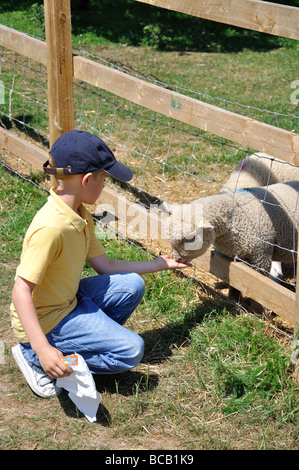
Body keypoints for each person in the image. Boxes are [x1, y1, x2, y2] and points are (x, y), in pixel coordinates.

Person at [10, 129, 190, 399]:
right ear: (86, 180)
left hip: (68, 300)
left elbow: (104, 265)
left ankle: (71, 347)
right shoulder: (51, 227)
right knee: (131, 351)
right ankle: (35, 358)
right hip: (48, 320)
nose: (105, 186)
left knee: (131, 285)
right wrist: (42, 349)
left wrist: (159, 264)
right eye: (104, 179)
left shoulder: (79, 213)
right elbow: (20, 291)